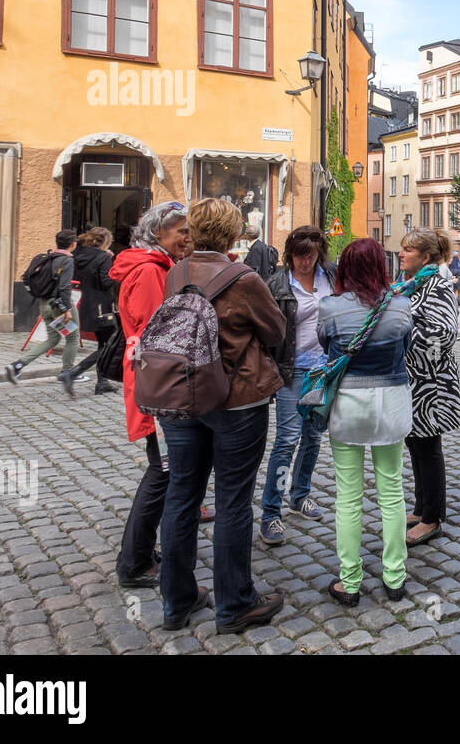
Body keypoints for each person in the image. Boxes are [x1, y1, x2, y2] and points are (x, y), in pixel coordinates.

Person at [159, 198, 287, 633]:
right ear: (234, 233)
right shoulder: (244, 277)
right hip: (237, 397)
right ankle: (234, 604)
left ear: (193, 230)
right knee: (233, 500)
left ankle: (177, 601)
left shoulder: (175, 272)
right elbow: (275, 330)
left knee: (182, 495)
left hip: (180, 395)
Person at [319, 239, 414, 606]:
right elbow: (403, 350)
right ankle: (394, 576)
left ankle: (351, 580)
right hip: (389, 401)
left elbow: (327, 347)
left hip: (348, 403)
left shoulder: (329, 308)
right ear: (380, 267)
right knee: (391, 491)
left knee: (348, 495)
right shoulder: (401, 306)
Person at [109, 202, 192, 590]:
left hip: (155, 386)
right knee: (160, 473)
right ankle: (134, 562)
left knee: (163, 471)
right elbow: (153, 336)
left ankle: (140, 553)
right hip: (153, 388)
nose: (187, 237)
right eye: (180, 231)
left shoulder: (157, 267)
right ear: (158, 234)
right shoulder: (147, 272)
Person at [260, 225, 337, 546]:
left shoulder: (329, 277)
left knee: (313, 437)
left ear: (319, 253)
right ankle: (270, 511)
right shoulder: (276, 283)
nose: (305, 262)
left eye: (311, 255)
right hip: (291, 372)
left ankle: (300, 494)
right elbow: (264, 329)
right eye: (299, 256)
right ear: (289, 255)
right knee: (287, 439)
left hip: (324, 371)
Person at [398, 228, 460, 547]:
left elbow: (445, 334)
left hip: (430, 383)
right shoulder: (415, 283)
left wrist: (406, 342)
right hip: (415, 380)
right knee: (416, 444)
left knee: (428, 448)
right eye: (401, 248)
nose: (401, 253)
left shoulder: (436, 283)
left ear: (425, 257)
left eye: (408, 249)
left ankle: (433, 517)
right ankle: (421, 507)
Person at [6, 229, 81, 384]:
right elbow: (65, 287)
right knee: (73, 338)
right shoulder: (66, 261)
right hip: (59, 307)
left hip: (45, 304)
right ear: (73, 244)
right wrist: (67, 310)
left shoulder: (48, 258)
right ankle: (67, 373)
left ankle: (17, 365)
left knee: (52, 339)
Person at [58, 228, 120, 397]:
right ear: (105, 241)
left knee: (104, 343)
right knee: (110, 344)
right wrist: (120, 276)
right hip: (102, 306)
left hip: (83, 303)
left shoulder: (77, 254)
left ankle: (102, 382)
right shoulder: (103, 258)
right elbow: (107, 282)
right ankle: (73, 373)